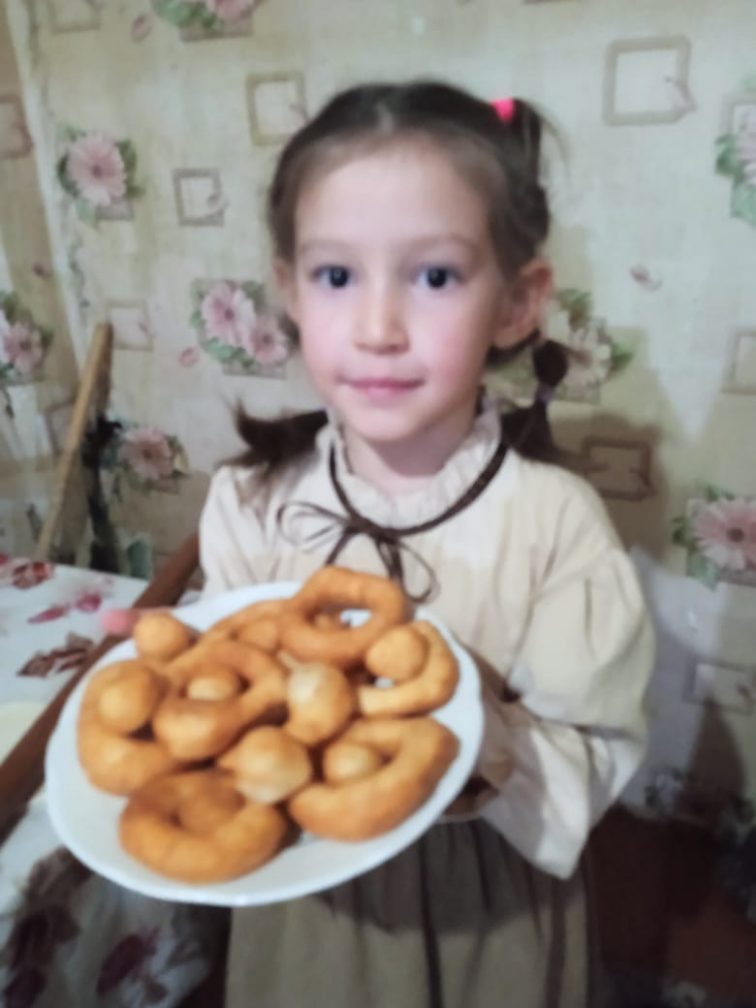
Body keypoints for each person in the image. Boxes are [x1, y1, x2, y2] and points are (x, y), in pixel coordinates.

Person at [108, 80, 654, 1007]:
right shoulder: (250, 502)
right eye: (336, 277)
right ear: (289, 289)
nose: (376, 329)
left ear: (517, 302)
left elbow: (590, 769)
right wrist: (167, 688)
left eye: (434, 277)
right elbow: (229, 709)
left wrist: (472, 726)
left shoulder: (555, 526)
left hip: (484, 907)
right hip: (308, 905)